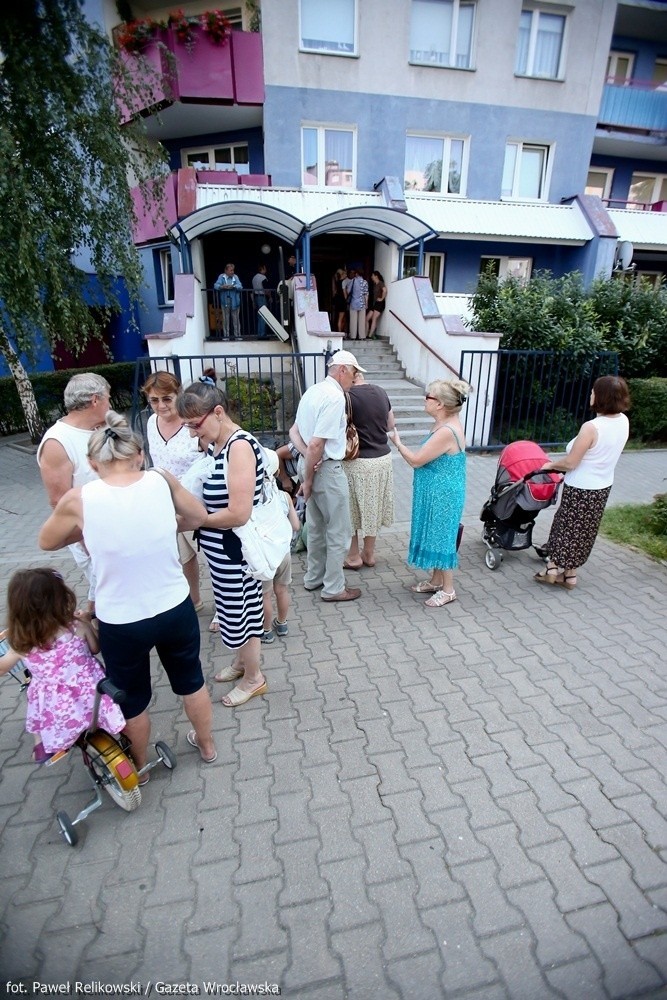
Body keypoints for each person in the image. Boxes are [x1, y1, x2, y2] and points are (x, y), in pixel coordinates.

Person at [38, 411, 217, 769]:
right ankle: (208, 746)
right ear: (138, 455)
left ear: (92, 462)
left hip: (121, 620)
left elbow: (47, 542)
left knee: (132, 700)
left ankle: (138, 767)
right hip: (174, 607)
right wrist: (164, 524)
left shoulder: (79, 499)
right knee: (191, 681)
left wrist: (91, 530)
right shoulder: (161, 480)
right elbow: (198, 515)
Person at [176, 380, 268, 708]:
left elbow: (240, 513)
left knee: (242, 611)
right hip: (222, 549)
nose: (190, 434)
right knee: (235, 610)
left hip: (234, 549)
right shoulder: (220, 443)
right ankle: (244, 663)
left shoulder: (239, 446)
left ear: (218, 412)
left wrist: (196, 519)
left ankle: (254, 678)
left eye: (194, 425)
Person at [0, 568, 125, 765]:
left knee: (34, 697)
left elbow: (2, 668)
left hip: (57, 706)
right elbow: (95, 648)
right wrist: (86, 622)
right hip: (92, 694)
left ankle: (41, 743)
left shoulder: (20, 641)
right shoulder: (75, 626)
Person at [534, 375, 631, 591]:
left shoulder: (592, 427)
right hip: (603, 486)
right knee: (584, 531)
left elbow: (571, 462)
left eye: (594, 391)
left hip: (581, 488)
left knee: (565, 528)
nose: (591, 395)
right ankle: (570, 576)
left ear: (602, 397)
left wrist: (550, 466)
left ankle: (552, 567)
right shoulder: (623, 421)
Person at [390, 378, 472, 608]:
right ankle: (436, 581)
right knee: (436, 534)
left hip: (444, 494)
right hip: (437, 489)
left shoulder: (447, 430)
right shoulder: (443, 423)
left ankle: (448, 590)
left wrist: (398, 443)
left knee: (442, 537)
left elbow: (416, 461)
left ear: (440, 404)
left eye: (429, 397)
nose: (424, 400)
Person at [289, 349, 362, 602]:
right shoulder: (334, 397)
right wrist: (309, 476)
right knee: (339, 531)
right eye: (353, 374)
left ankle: (314, 578)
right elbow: (316, 444)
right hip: (326, 471)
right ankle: (333, 588)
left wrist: (307, 461)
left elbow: (294, 433)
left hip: (311, 464)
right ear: (342, 370)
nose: (355, 379)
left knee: (317, 527)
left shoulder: (313, 391)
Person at [36, 372, 111, 610]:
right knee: (107, 595)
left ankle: (89, 624)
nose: (111, 404)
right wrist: (86, 541)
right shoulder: (58, 442)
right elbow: (59, 502)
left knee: (104, 594)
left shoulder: (101, 428)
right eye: (108, 398)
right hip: (89, 537)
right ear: (95, 400)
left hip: (115, 526)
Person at [142, 370, 204, 612]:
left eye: (166, 398)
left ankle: (225, 609)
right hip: (165, 503)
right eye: (154, 400)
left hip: (195, 501)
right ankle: (194, 601)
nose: (160, 406)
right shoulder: (150, 422)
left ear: (178, 394)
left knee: (213, 559)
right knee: (182, 557)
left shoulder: (192, 422)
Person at [342, 368, 395, 570]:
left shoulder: (347, 397)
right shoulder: (381, 392)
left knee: (352, 510)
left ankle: (354, 556)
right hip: (382, 459)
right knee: (372, 508)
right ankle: (369, 554)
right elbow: (391, 424)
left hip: (357, 461)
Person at [259, 449, 301, 644]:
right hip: (283, 552)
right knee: (282, 590)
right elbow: (295, 526)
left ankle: (266, 630)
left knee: (265, 594)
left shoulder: (253, 500)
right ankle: (282, 623)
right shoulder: (284, 497)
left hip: (265, 554)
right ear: (277, 473)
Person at [214, 263, 243, 340]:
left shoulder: (235, 277)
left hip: (235, 302)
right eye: (231, 270)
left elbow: (240, 286)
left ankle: (237, 336)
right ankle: (226, 336)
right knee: (225, 320)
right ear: (226, 270)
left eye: (233, 270)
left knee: (236, 320)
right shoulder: (221, 277)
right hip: (225, 301)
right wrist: (222, 286)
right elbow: (215, 285)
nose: (232, 272)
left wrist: (234, 286)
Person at [346, 268, 369, 341]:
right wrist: (366, 303)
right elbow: (366, 294)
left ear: (356, 274)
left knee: (353, 320)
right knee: (362, 321)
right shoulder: (365, 282)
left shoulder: (352, 281)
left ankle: (353, 336)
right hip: (362, 303)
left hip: (353, 303)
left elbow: (348, 291)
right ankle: (362, 336)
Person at [252, 263, 272, 339]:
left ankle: (259, 334)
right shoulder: (263, 277)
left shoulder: (254, 278)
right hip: (262, 297)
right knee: (263, 316)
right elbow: (266, 289)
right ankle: (262, 335)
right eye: (265, 268)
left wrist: (253, 301)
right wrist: (270, 297)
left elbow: (253, 291)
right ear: (262, 269)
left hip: (256, 297)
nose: (266, 270)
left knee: (259, 316)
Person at [366, 271, 387, 339]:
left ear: (376, 276)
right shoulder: (375, 284)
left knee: (374, 318)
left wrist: (382, 298)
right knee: (367, 318)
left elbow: (385, 290)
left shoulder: (380, 283)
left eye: (372, 275)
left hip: (380, 304)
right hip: (375, 304)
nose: (371, 277)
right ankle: (366, 334)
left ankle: (370, 335)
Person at [331, 267, 348, 334]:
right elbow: (345, 294)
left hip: (338, 300)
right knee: (341, 318)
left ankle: (340, 331)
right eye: (344, 273)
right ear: (342, 274)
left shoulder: (337, 281)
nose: (345, 275)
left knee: (340, 317)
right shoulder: (343, 282)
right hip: (342, 301)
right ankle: (340, 332)